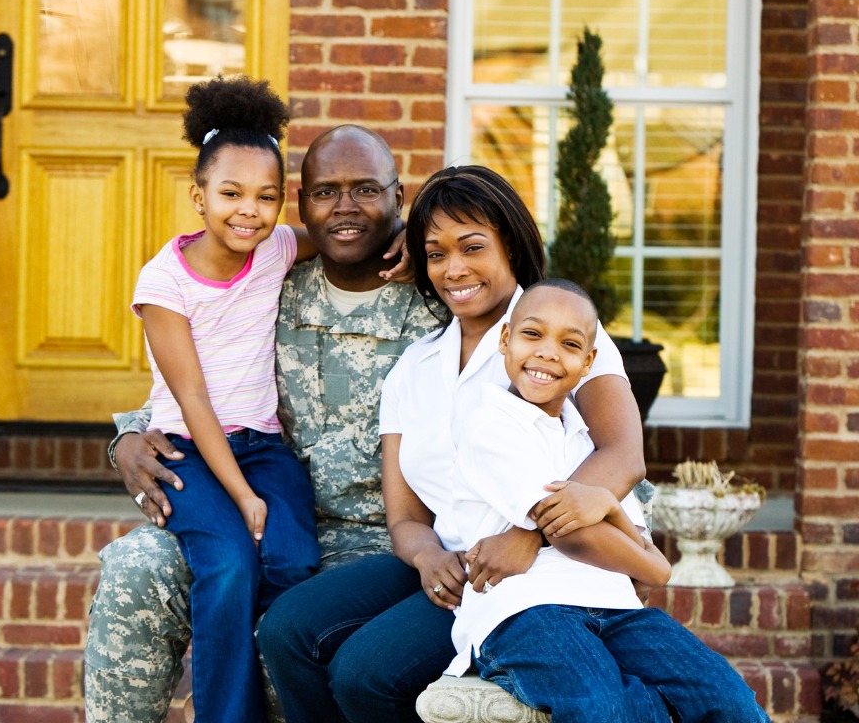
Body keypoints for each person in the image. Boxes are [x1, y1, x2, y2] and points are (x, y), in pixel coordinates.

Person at [256, 166, 652, 723]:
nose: (454, 269)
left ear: (510, 245)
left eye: (472, 247)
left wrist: (528, 532)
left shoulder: (556, 336)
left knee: (365, 673)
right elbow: (406, 515)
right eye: (435, 253)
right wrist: (425, 557)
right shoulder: (417, 364)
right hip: (451, 556)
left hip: (531, 568)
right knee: (286, 629)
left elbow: (621, 454)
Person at [84, 124, 442, 723]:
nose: (345, 208)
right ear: (301, 206)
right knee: (137, 566)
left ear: (398, 197)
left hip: (390, 535)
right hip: (254, 499)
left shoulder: (438, 297)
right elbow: (199, 384)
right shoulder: (273, 276)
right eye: (326, 193)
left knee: (288, 599)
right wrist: (126, 436)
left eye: (366, 192)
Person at [435, 278, 770, 722]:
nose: (548, 353)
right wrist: (655, 564)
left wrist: (609, 508)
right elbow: (577, 536)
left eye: (569, 344)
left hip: (615, 605)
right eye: (532, 334)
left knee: (730, 702)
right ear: (505, 339)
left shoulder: (587, 436)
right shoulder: (489, 422)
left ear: (589, 361)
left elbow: (622, 533)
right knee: (602, 707)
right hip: (526, 610)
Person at [131, 75, 322, 723]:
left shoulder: (275, 247)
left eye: (268, 197)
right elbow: (190, 399)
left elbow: (342, 231)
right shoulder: (163, 283)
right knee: (231, 565)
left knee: (293, 558)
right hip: (189, 448)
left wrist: (405, 245)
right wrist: (241, 496)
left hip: (263, 445)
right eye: (231, 193)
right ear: (198, 196)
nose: (250, 210)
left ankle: (242, 657)